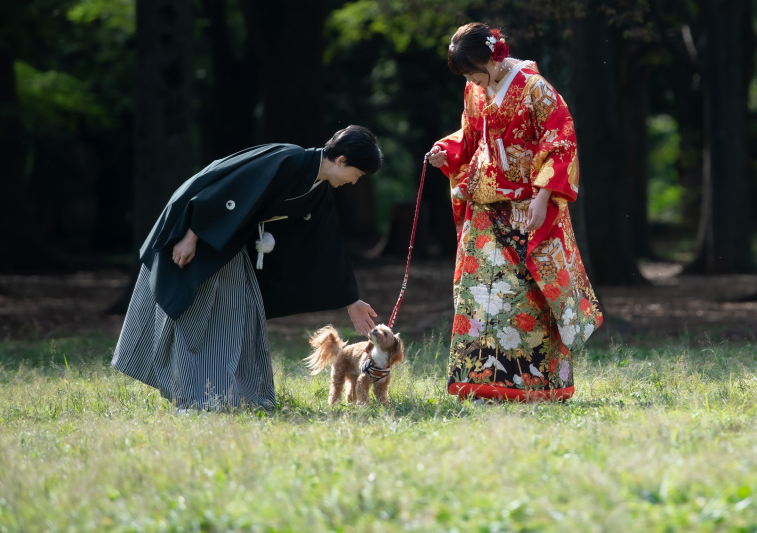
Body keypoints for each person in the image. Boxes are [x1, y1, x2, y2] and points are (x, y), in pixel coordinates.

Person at [112, 125, 382, 410]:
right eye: (358, 175)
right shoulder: (288, 160)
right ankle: (195, 401)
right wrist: (190, 237)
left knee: (240, 317)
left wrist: (350, 299)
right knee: (198, 321)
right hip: (198, 233)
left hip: (228, 245)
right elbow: (226, 190)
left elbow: (328, 244)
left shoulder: (316, 187)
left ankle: (241, 397)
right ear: (341, 161)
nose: (354, 182)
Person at [427, 23, 603, 402]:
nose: (473, 80)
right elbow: (470, 138)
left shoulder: (534, 88)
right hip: (484, 205)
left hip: (526, 206)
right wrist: (448, 152)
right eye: (467, 75)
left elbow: (560, 140)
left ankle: (537, 385)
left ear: (494, 56)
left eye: (475, 70)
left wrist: (542, 198)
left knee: (526, 296)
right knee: (477, 294)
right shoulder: (475, 88)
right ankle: (478, 380)